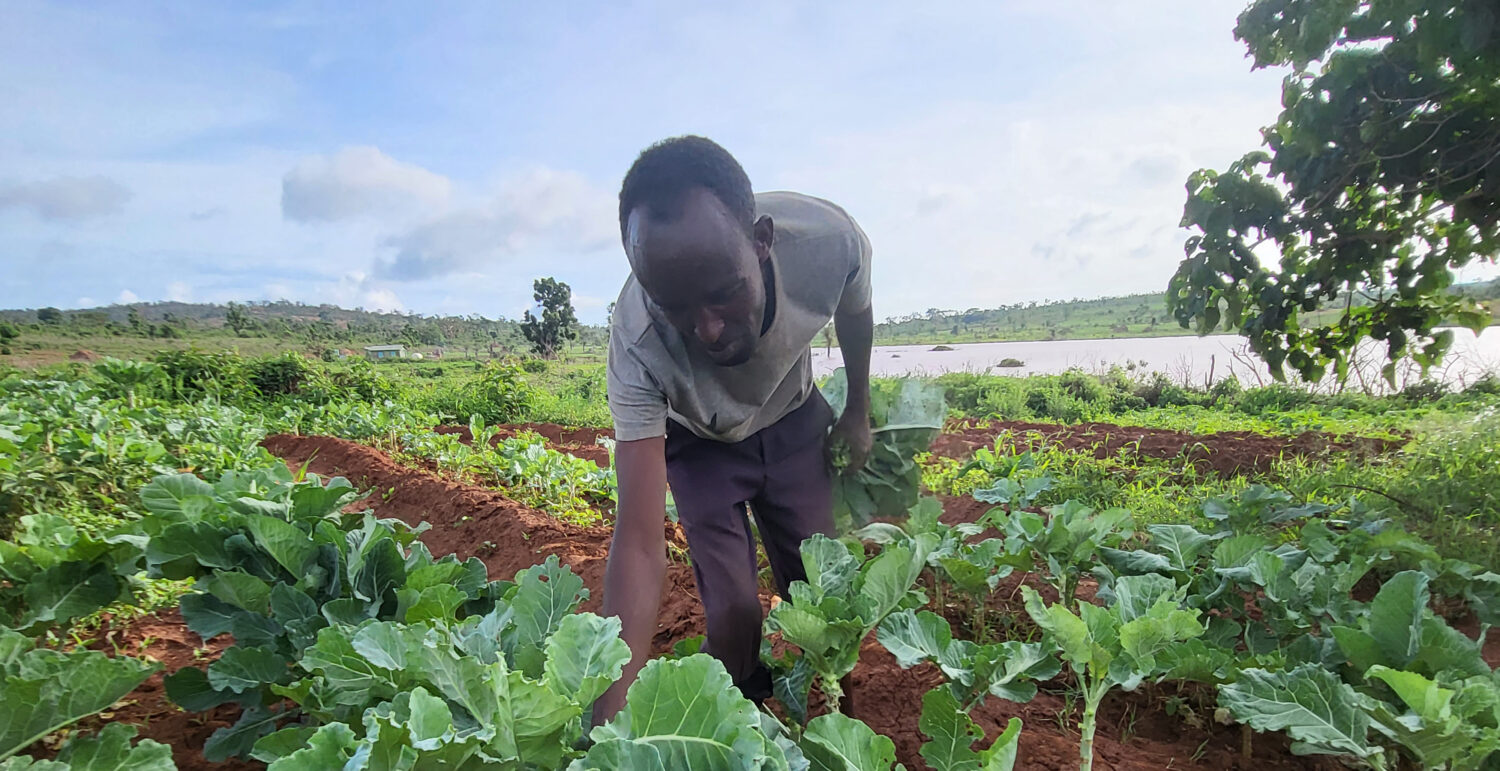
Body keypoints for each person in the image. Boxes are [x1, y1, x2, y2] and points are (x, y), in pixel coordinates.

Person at [594, 135, 874, 721]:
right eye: (676, 308)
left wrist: (857, 410)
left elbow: (854, 312)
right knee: (732, 615)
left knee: (820, 589)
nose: (710, 330)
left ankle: (836, 723)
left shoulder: (829, 243)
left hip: (794, 420)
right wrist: (606, 730)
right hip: (700, 444)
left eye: (725, 295)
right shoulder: (638, 343)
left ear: (762, 241)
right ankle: (742, 714)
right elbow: (641, 543)